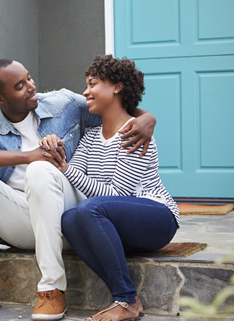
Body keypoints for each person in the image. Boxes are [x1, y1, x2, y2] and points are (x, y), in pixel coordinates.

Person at [0, 58, 157, 320]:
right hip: (24, 222)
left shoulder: (64, 104)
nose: (31, 87)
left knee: (41, 169)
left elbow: (113, 105)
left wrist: (148, 117)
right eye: (20, 86)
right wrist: (27, 156)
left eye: (29, 78)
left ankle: (52, 288)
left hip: (71, 218)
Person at [40, 54, 179, 321]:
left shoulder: (134, 133)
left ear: (117, 86)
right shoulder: (91, 137)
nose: (86, 91)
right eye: (86, 85)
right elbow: (74, 171)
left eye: (92, 83)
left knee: (90, 208)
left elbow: (118, 195)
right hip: (119, 225)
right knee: (70, 219)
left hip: (157, 218)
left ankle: (124, 300)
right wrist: (55, 147)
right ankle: (128, 298)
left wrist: (66, 169)